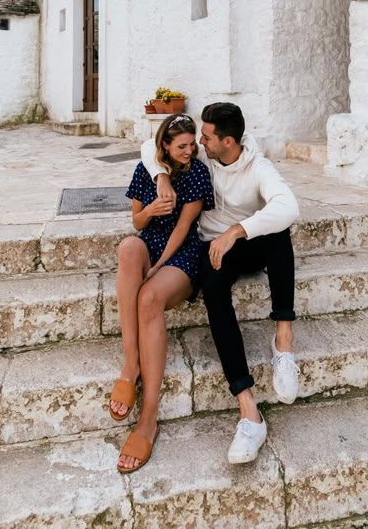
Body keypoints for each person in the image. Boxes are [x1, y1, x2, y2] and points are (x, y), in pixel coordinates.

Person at [141, 101, 300, 464]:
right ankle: (248, 411)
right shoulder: (200, 159)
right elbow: (149, 146)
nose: (199, 142)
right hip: (213, 249)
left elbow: (288, 206)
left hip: (246, 242)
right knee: (212, 287)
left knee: (280, 234)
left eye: (207, 137)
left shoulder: (258, 166)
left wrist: (238, 230)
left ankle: (284, 344)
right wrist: (161, 176)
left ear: (228, 141)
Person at [110, 113, 213, 473]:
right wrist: (151, 209)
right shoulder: (148, 171)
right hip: (149, 241)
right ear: (165, 147)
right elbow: (136, 222)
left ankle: (148, 418)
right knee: (127, 248)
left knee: (149, 297)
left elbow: (184, 229)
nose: (191, 150)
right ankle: (130, 366)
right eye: (182, 146)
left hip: (181, 252)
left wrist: (155, 269)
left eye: (193, 143)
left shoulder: (198, 173)